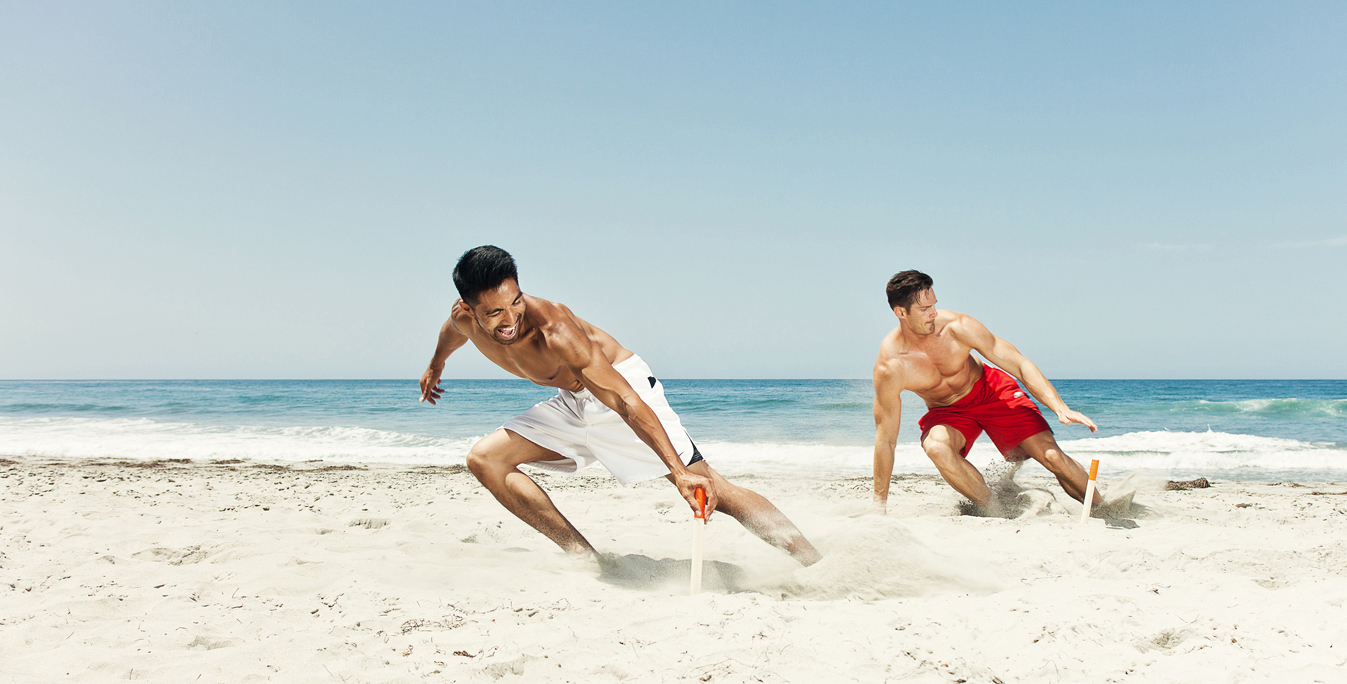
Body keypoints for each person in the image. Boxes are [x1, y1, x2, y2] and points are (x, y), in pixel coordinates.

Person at [419, 245, 821, 566]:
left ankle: (812, 560)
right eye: (495, 312)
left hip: (618, 386)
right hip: (573, 400)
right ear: (469, 309)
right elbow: (451, 333)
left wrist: (679, 472)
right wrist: (435, 366)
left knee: (712, 488)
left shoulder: (554, 330)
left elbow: (626, 400)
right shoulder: (463, 320)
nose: (511, 319)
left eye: (516, 302)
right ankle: (582, 557)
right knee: (485, 459)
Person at [871, 269, 1112, 516]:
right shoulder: (891, 366)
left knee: (1051, 456)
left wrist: (1060, 407)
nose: (934, 313)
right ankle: (995, 509)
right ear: (901, 312)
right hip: (947, 411)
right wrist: (879, 506)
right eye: (924, 309)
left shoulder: (957, 327)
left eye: (934, 304)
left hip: (991, 390)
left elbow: (1019, 364)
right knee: (936, 447)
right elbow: (886, 440)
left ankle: (1103, 508)